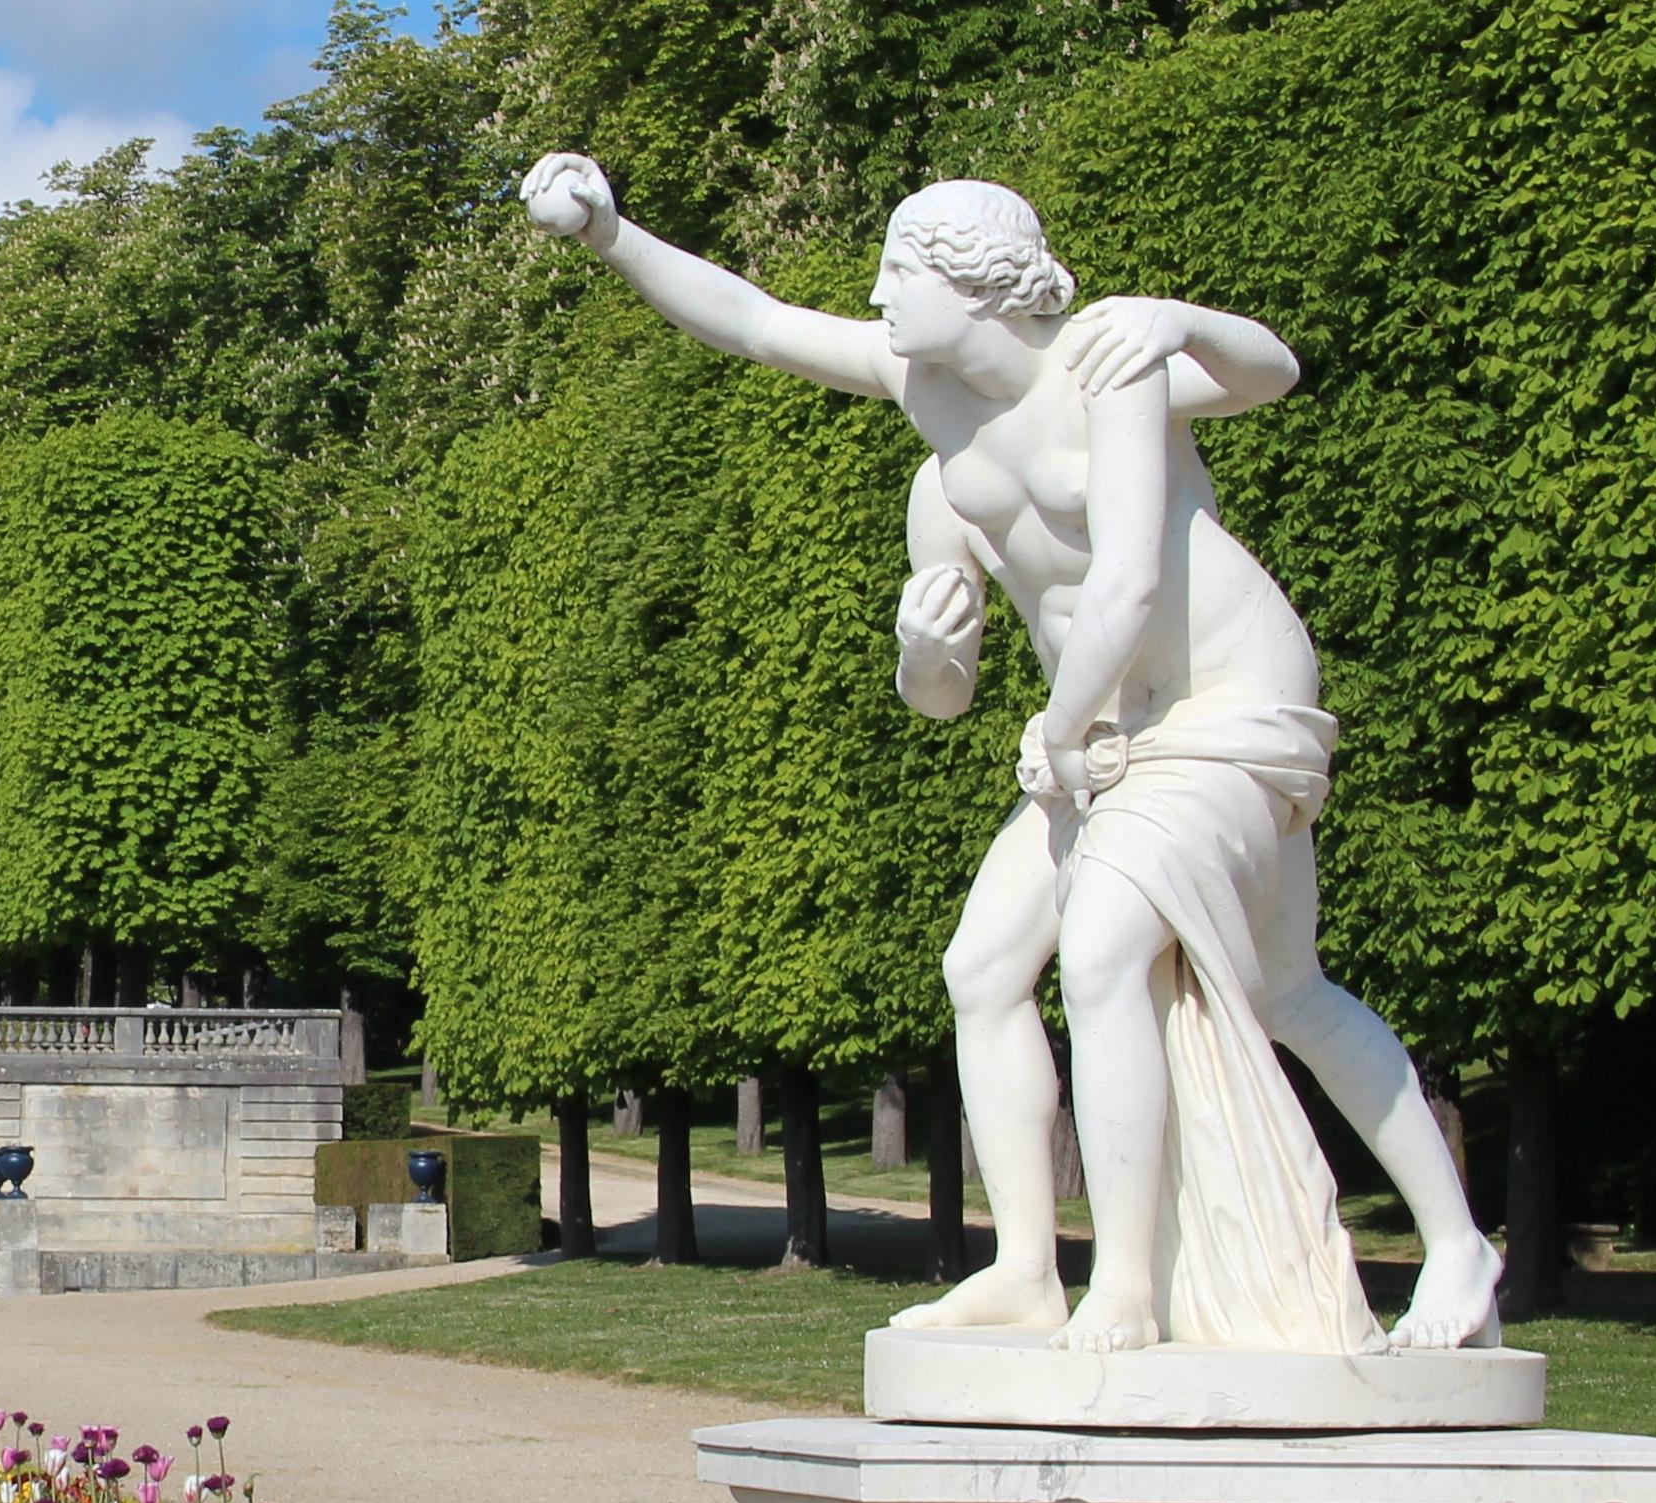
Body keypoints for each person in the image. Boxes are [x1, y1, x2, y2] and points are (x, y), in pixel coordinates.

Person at [518, 154, 1503, 1354]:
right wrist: (614, 234)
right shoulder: (932, 424)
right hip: (1097, 733)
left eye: (899, 269)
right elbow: (759, 326)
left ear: (976, 284)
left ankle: (1132, 1287)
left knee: (1105, 954)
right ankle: (1030, 1271)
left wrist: (1177, 319)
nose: (876, 293)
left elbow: (1186, 499)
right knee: (996, 968)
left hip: (1222, 701)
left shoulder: (1106, 361)